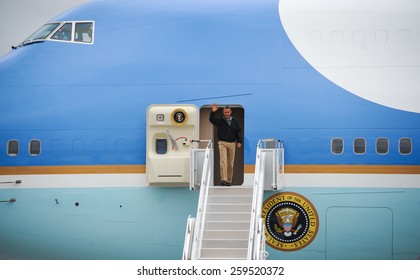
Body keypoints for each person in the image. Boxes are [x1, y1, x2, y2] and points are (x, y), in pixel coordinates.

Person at [209, 104, 242, 186]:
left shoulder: (235, 121)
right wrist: (212, 112)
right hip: (222, 142)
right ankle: (223, 179)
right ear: (223, 112)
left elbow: (238, 131)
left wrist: (239, 141)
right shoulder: (220, 120)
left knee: (230, 162)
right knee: (223, 161)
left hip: (232, 143)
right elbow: (211, 120)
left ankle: (229, 181)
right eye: (225, 112)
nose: (226, 113)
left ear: (230, 112)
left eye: (228, 112)